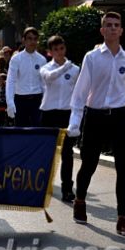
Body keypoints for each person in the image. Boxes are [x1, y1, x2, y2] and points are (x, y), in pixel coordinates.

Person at [67, 12, 125, 236]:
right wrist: (75, 122)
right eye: (109, 25)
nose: (113, 28)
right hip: (95, 115)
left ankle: (122, 218)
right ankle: (79, 200)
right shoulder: (92, 57)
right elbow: (80, 91)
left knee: (124, 168)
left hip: (119, 115)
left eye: (117, 25)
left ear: (122, 30)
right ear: (102, 30)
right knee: (89, 164)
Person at [40, 35, 80, 202]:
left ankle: (67, 189)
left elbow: (79, 94)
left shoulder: (75, 69)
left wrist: (77, 118)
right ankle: (43, 185)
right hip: (49, 114)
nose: (59, 52)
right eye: (55, 50)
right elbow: (50, 78)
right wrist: (64, 67)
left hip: (66, 114)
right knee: (47, 152)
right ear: (50, 52)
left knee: (67, 153)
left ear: (65, 49)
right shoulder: (45, 68)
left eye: (61, 49)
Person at [6, 27, 47, 127]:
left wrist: (47, 101)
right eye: (29, 38)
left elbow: (44, 83)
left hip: (37, 100)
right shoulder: (16, 59)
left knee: (37, 131)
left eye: (35, 39)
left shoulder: (42, 60)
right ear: (23, 40)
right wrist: (10, 102)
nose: (32, 41)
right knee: (20, 131)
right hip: (20, 100)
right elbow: (11, 80)